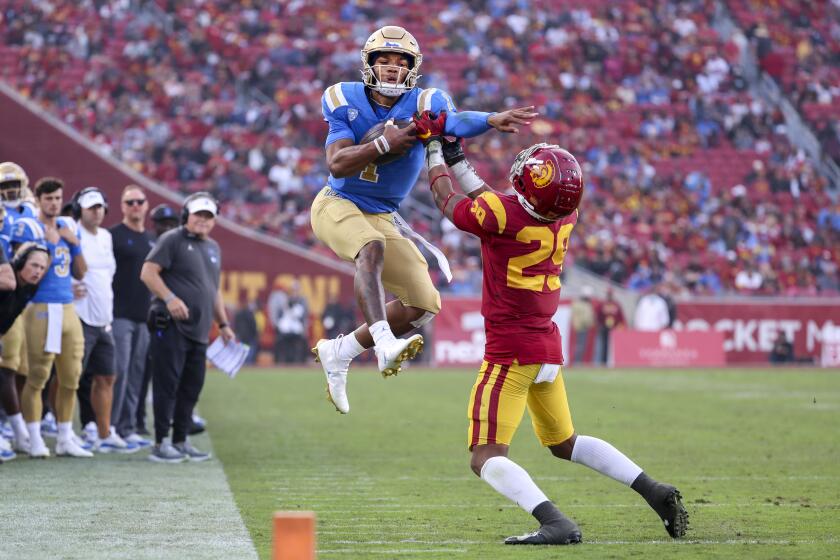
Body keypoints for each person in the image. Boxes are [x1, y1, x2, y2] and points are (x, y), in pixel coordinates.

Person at [414, 110, 688, 545]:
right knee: (564, 442)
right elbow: (493, 203)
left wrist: (431, 148)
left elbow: (451, 202)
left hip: (510, 352)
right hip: (546, 347)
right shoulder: (563, 215)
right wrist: (455, 153)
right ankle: (654, 491)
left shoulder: (502, 216)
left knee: (484, 456)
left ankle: (555, 520)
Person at [311, 25, 537, 414]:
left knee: (424, 303)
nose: (392, 69)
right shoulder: (343, 98)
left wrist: (490, 119)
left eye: (401, 63)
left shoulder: (424, 102)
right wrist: (383, 143)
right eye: (384, 61)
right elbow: (337, 162)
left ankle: (340, 351)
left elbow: (455, 120)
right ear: (369, 65)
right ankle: (383, 343)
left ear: (412, 69)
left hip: (383, 214)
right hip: (338, 201)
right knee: (371, 246)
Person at [140, 192, 234, 463]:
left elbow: (212, 290)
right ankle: (160, 443)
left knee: (191, 387)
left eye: (208, 216)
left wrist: (224, 323)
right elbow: (147, 272)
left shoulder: (213, 247)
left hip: (199, 329)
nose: (203, 221)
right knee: (166, 385)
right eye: (198, 215)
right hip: (170, 325)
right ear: (186, 216)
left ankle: (180, 440)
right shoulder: (172, 239)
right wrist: (169, 298)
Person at [18, 177, 91, 458]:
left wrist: (73, 244)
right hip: (41, 307)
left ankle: (64, 437)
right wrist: (47, 247)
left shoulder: (69, 226)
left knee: (72, 375)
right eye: (48, 198)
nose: (54, 203)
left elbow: (81, 272)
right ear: (37, 199)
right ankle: (34, 438)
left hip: (68, 307)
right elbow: (27, 275)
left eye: (58, 198)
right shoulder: (29, 228)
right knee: (38, 375)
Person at [71, 187, 138, 453]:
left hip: (103, 317)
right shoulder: (72, 232)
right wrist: (67, 285)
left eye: (100, 207)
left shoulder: (106, 237)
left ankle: (103, 431)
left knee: (107, 376)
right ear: (80, 210)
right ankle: (60, 426)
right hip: (79, 314)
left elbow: (107, 274)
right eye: (91, 207)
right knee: (69, 376)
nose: (97, 212)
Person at [109, 185, 154, 446]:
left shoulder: (151, 240)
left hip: (142, 315)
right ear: (123, 207)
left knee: (136, 373)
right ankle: (110, 427)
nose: (135, 206)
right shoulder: (113, 236)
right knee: (120, 369)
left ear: (146, 205)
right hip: (119, 313)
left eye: (140, 201)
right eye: (130, 202)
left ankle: (127, 427)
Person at [0, 162, 40, 454]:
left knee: (22, 365)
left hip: (17, 298)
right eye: (4, 187)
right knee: (7, 366)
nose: (11, 192)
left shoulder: (27, 215)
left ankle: (19, 424)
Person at [0, 241, 42, 462]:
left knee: (9, 374)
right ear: (19, 262)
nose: (38, 272)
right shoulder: (8, 283)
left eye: (42, 268)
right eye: (34, 265)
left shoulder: (30, 287)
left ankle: (17, 430)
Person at [595, 289, 625, 365]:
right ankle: (603, 362)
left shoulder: (616, 304)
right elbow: (598, 315)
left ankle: (613, 361)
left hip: (614, 328)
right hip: (604, 327)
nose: (609, 296)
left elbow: (620, 316)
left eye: (610, 295)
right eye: (608, 295)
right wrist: (600, 324)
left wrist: (621, 325)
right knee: (604, 345)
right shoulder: (602, 304)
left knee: (613, 345)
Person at [570, 286, 595, 364]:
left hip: (584, 327)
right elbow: (583, 317)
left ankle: (578, 361)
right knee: (580, 346)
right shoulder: (580, 304)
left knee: (582, 346)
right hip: (581, 327)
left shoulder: (584, 304)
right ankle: (577, 361)